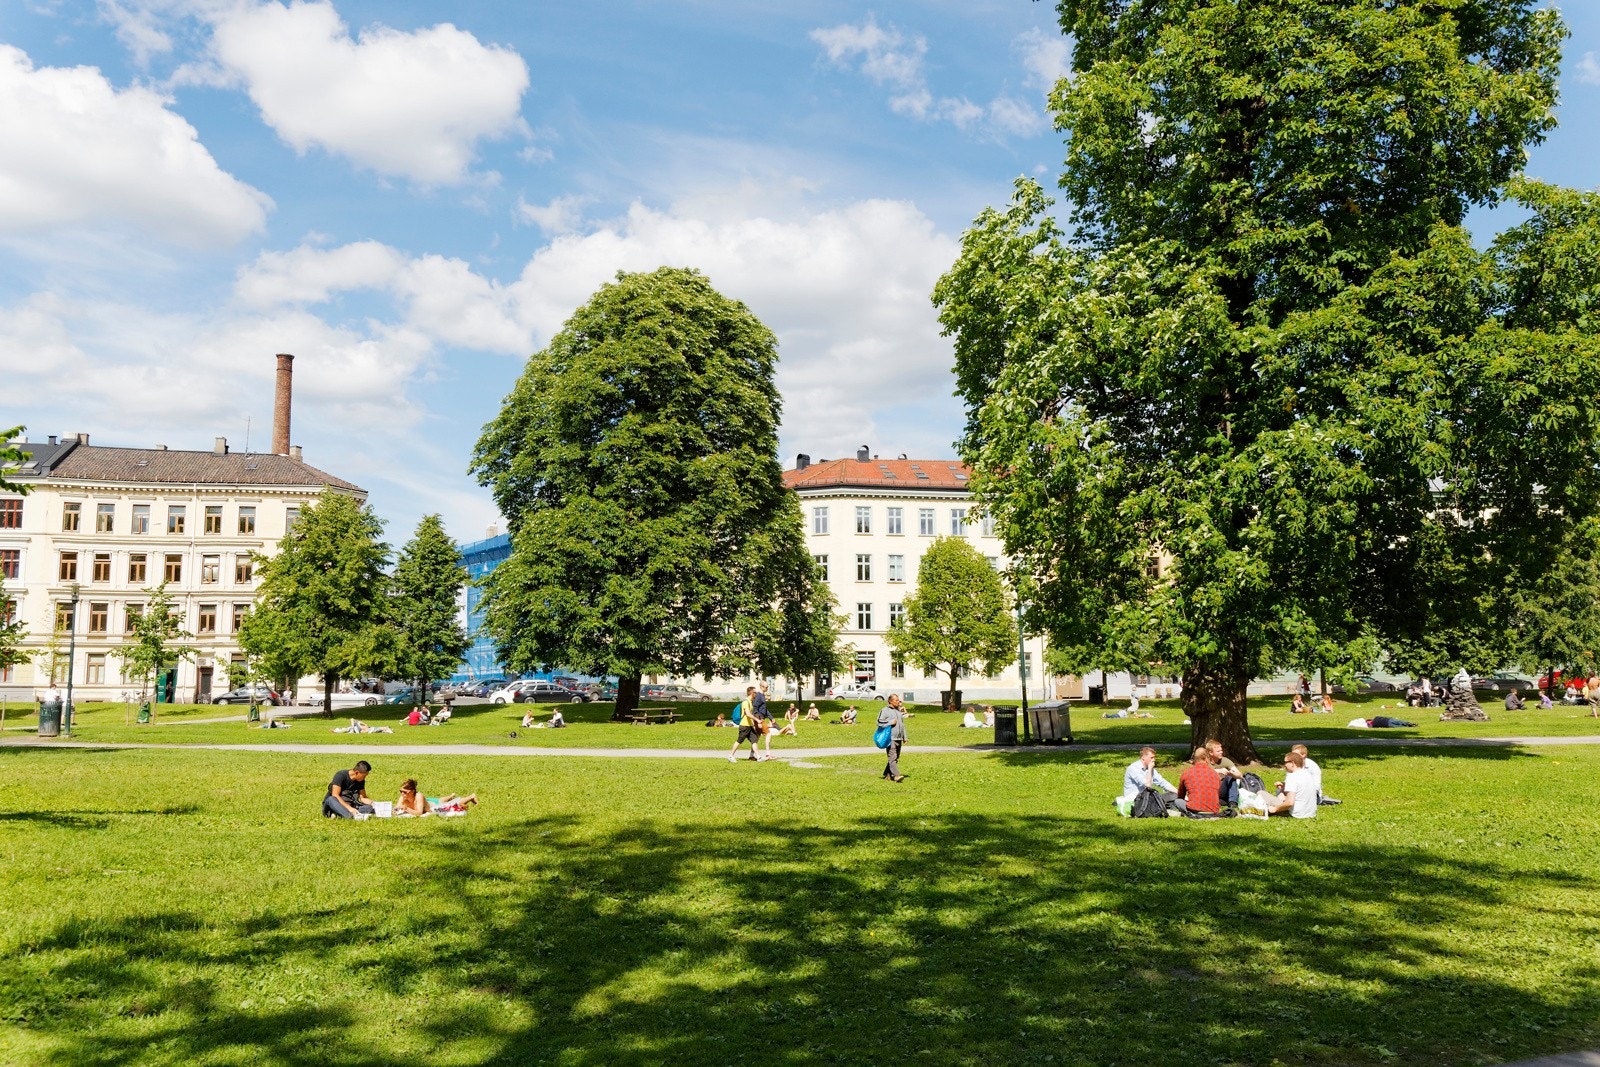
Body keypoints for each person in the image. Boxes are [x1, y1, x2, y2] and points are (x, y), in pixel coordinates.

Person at [1122, 746, 1184, 812]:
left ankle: (1165, 807)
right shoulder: (1133, 768)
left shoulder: (1150, 769)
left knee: (1174, 795)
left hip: (1148, 798)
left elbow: (1163, 783)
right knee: (1166, 801)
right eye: (1151, 758)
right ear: (1143, 758)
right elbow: (1147, 785)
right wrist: (1149, 769)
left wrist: (1181, 794)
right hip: (1135, 801)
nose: (1154, 760)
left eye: (1154, 757)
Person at [1267, 752, 1318, 818]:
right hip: (1310, 813)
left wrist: (1275, 809)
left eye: (1286, 762)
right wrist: (1284, 787)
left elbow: (1290, 802)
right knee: (1280, 792)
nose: (1284, 765)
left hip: (1295, 814)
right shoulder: (1307, 774)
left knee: (1261, 793)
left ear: (1292, 763)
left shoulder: (1292, 777)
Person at [1177, 747, 1221, 814]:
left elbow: (1180, 795)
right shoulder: (1215, 774)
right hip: (1214, 810)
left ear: (1195, 759)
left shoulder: (1187, 773)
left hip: (1194, 809)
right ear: (1206, 758)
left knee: (1177, 801)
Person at [728, 686, 763, 762]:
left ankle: (759, 757)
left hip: (749, 725)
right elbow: (748, 714)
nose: (756, 694)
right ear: (751, 693)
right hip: (744, 725)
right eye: (755, 692)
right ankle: (731, 756)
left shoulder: (750, 702)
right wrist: (757, 720)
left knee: (754, 740)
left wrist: (753, 724)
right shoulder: (745, 702)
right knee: (739, 740)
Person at [1206, 739, 1244, 808]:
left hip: (1222, 789)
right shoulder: (1205, 762)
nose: (1221, 752)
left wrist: (1232, 774)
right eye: (1218, 751)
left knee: (1230, 778)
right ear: (1211, 753)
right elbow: (1200, 773)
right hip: (1209, 790)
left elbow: (1240, 775)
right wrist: (1218, 771)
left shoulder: (1225, 760)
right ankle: (1218, 801)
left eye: (1221, 750)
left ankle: (1233, 802)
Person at [879, 693, 908, 782]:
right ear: (890, 701)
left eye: (898, 700)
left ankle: (887, 773)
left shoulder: (899, 711)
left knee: (896, 757)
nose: (898, 701)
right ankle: (896, 775)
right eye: (896, 700)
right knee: (893, 756)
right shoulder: (885, 710)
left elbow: (902, 725)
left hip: (898, 737)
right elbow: (879, 722)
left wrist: (905, 737)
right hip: (890, 737)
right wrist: (890, 722)